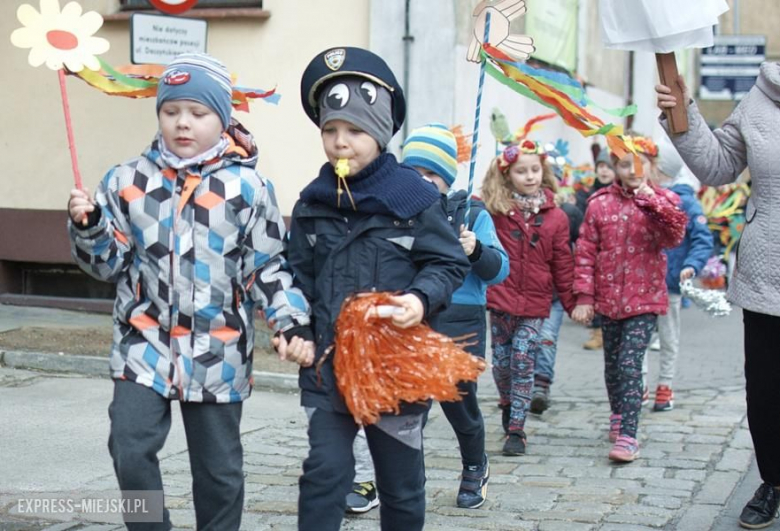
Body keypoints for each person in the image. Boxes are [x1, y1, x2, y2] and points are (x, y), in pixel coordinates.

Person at [67, 53, 313, 530]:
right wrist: (90, 227)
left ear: (222, 118)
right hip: (145, 343)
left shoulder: (248, 188)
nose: (183, 123)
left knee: (219, 472)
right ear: (158, 113)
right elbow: (107, 264)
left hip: (216, 350)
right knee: (129, 447)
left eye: (198, 113)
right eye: (171, 111)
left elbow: (266, 266)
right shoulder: (126, 181)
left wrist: (290, 320)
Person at [288, 47, 470, 531]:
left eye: (355, 131)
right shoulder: (312, 204)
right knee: (325, 473)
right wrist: (294, 327)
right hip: (329, 367)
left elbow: (447, 262)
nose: (341, 143)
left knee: (400, 485)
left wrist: (420, 298)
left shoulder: (415, 198)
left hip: (396, 365)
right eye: (330, 131)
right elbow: (296, 276)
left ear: (382, 132)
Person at [657, 68, 780, 528]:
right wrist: (682, 112)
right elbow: (718, 165)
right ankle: (773, 480)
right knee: (767, 393)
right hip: (771, 272)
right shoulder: (763, 96)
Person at [571, 135, 686, 463]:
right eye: (625, 164)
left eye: (640, 163)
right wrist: (584, 297)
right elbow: (586, 253)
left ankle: (629, 434)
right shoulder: (599, 203)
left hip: (644, 300)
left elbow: (674, 235)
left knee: (629, 363)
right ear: (615, 168)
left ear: (651, 166)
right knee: (612, 366)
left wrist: (652, 201)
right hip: (608, 300)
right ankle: (619, 413)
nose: (633, 170)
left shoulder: (663, 200)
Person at [482, 140, 576, 456]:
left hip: (536, 301)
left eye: (535, 169)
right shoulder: (495, 211)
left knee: (524, 357)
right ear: (507, 175)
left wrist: (573, 301)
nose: (530, 176)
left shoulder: (556, 217)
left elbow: (563, 262)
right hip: (500, 297)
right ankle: (508, 402)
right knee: (502, 363)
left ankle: (517, 429)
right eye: (522, 171)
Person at [644, 145, 713, 412]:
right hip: (643, 282)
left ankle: (665, 384)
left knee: (668, 336)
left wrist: (691, 265)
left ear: (661, 171)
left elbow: (702, 239)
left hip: (669, 283)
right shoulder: (644, 196)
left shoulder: (685, 201)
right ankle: (639, 386)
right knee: (637, 338)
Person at [530, 187, 583, 415]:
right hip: (525, 293)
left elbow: (568, 257)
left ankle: (541, 386)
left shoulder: (565, 214)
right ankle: (516, 389)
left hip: (552, 295)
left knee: (546, 339)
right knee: (523, 343)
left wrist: (575, 301)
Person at [578, 150, 616, 352]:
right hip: (592, 247)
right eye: (601, 166)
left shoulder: (619, 192)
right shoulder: (588, 192)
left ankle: (604, 332)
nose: (604, 170)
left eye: (608, 166)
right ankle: (596, 332)